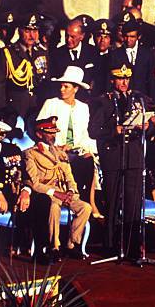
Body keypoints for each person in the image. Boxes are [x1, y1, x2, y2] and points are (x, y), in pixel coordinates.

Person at [89, 61, 154, 259]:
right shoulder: (103, 101)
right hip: (114, 155)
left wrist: (146, 126)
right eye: (119, 78)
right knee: (112, 202)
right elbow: (93, 131)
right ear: (112, 80)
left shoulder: (138, 99)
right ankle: (110, 245)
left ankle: (132, 245)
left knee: (133, 203)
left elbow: (150, 125)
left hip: (133, 156)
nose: (123, 82)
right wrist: (113, 131)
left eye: (126, 78)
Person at [23, 116, 92, 262]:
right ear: (39, 134)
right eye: (49, 132)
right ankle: (54, 247)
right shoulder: (31, 153)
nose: (53, 136)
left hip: (65, 192)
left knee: (85, 208)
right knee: (53, 208)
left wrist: (71, 191)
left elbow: (69, 176)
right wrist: (56, 193)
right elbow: (35, 183)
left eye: (54, 133)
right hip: (49, 193)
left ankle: (72, 244)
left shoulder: (60, 153)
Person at [38, 66, 100, 217]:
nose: (62, 89)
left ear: (76, 89)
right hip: (55, 150)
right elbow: (40, 130)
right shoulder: (51, 103)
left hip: (75, 149)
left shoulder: (83, 108)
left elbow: (85, 134)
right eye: (61, 86)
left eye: (66, 86)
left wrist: (81, 147)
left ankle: (91, 202)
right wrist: (55, 146)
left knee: (89, 158)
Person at [0, 13, 50, 116]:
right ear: (19, 31)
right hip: (15, 109)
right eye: (27, 31)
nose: (32, 35)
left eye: (35, 31)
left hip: (39, 107)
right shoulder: (7, 53)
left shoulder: (42, 53)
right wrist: (2, 112)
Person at [110, 19, 155, 99]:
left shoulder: (147, 54)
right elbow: (110, 80)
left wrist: (152, 101)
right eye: (126, 36)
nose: (128, 40)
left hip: (143, 98)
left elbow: (151, 80)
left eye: (132, 37)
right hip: (122, 99)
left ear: (139, 37)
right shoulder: (114, 54)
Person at [49, 19, 98, 86]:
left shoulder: (93, 52)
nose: (69, 40)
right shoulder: (56, 54)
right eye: (67, 35)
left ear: (82, 36)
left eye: (73, 37)